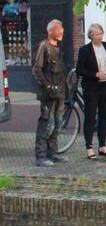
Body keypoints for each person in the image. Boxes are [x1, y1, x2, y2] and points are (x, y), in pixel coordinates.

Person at [76, 24, 106, 160]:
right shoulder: (85, 50)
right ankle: (89, 147)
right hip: (92, 87)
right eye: (96, 34)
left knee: (104, 116)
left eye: (101, 33)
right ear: (90, 36)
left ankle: (102, 145)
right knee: (90, 116)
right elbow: (80, 70)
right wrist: (95, 74)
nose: (99, 36)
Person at [31, 19, 67, 167]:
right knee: (47, 122)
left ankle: (53, 152)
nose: (61, 33)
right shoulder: (43, 46)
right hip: (47, 95)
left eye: (62, 30)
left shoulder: (58, 48)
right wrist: (47, 85)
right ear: (50, 31)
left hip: (60, 92)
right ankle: (41, 156)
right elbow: (36, 69)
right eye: (59, 30)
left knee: (58, 123)